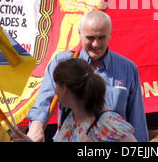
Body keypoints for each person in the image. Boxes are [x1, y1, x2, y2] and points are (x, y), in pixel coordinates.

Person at [27, 10, 149, 142]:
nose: (96, 44)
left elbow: (137, 119)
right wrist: (36, 128)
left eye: (101, 37)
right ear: (80, 34)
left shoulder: (128, 68)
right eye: (90, 38)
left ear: (110, 35)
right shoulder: (63, 63)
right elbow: (44, 101)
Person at [53, 58, 136, 142]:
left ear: (64, 88)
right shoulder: (71, 118)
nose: (55, 90)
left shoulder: (107, 121)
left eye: (57, 85)